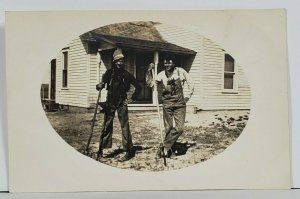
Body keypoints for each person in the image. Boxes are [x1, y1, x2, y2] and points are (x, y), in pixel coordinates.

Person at [96, 48, 141, 162]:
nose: (120, 63)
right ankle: (102, 150)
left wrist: (131, 99)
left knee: (124, 126)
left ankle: (128, 151)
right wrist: (99, 85)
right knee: (106, 126)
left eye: (122, 60)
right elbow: (99, 85)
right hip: (109, 103)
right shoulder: (108, 73)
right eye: (118, 60)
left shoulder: (127, 75)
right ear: (114, 61)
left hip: (122, 102)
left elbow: (138, 87)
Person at [146, 55, 194, 158]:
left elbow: (191, 83)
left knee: (179, 128)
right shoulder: (162, 74)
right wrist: (149, 72)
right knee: (168, 128)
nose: (167, 65)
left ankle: (163, 146)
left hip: (180, 104)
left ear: (174, 63)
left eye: (169, 62)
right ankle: (169, 151)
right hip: (167, 103)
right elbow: (151, 84)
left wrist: (187, 97)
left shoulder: (180, 72)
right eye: (165, 63)